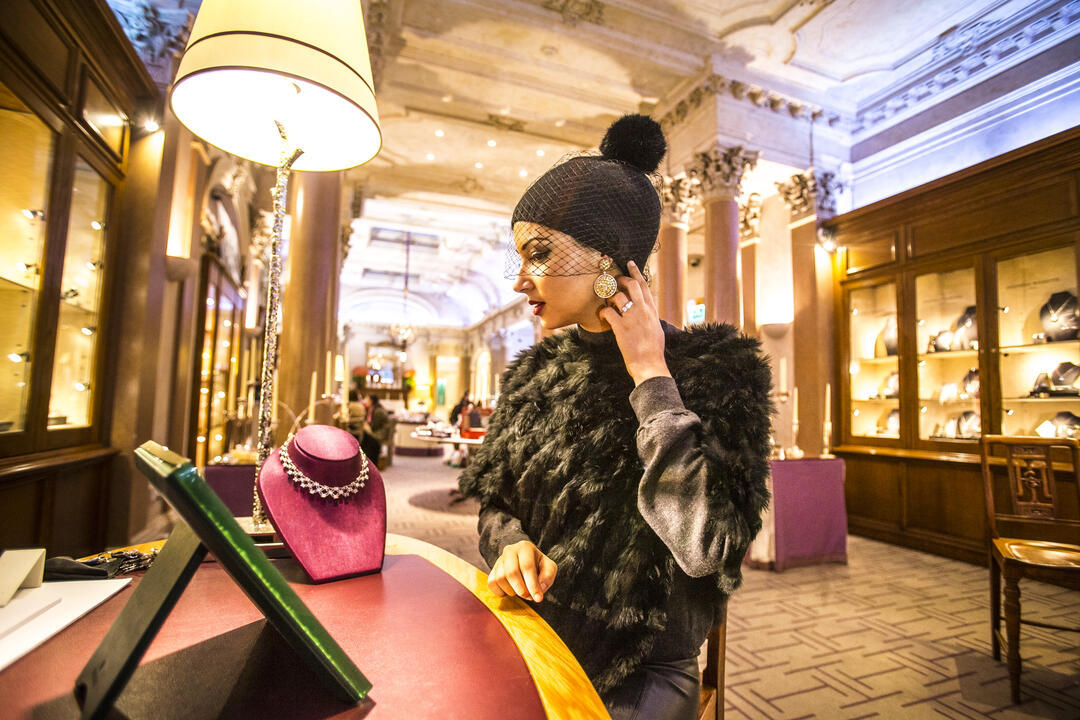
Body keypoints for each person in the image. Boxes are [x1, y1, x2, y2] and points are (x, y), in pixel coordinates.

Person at [458, 115, 772, 720]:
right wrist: (512, 545)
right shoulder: (535, 372)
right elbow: (493, 504)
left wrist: (652, 376)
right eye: (519, 258)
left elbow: (707, 545)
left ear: (608, 260)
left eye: (540, 254)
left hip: (644, 666)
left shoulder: (717, 370)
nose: (521, 279)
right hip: (538, 635)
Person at [359, 394, 391, 466]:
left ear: (371, 401)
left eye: (367, 399)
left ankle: (370, 464)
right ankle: (365, 463)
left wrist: (374, 433)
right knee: (363, 441)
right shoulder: (370, 409)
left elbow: (383, 425)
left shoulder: (378, 411)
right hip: (372, 433)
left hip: (378, 434)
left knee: (369, 442)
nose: (365, 401)